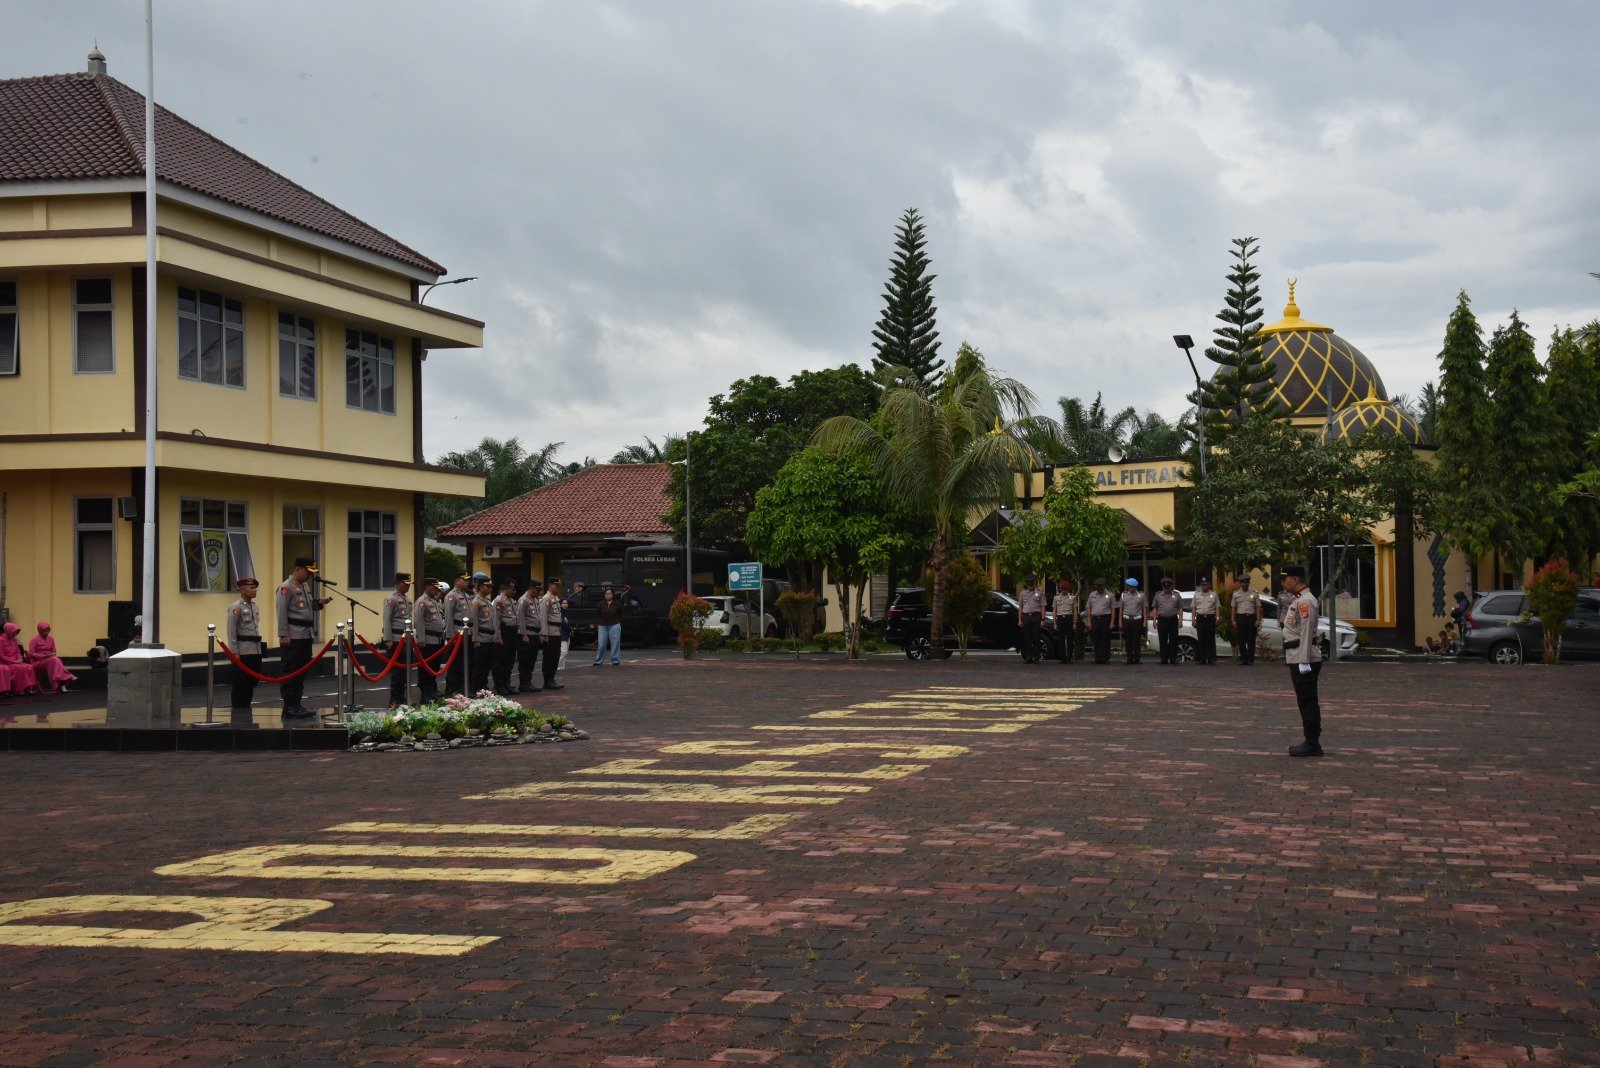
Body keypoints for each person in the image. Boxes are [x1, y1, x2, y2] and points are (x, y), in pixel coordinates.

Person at [276, 556, 331, 718]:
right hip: (293, 635)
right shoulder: (286, 588)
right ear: (298, 569)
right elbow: (281, 612)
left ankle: (297, 704)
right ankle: (289, 706)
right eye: (308, 572)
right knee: (291, 670)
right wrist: (283, 634)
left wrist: (320, 602)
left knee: (301, 671)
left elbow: (307, 607)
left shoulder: (305, 586)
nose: (309, 576)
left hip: (306, 634)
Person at [1281, 563, 1324, 758]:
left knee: (1307, 701)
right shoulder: (1299, 600)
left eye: (1285, 578)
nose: (1283, 582)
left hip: (1302, 657)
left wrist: (1304, 661)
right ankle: (1311, 740)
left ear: (1295, 579)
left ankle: (1312, 743)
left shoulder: (1305, 601)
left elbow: (1306, 633)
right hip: (1296, 655)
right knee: (1304, 700)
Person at [225, 578, 263, 713]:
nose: (254, 590)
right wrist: (234, 652)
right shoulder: (236, 608)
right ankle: (238, 708)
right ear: (242, 590)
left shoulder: (254, 607)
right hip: (243, 650)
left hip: (255, 649)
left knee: (252, 681)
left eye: (255, 587)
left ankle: (246, 706)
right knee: (241, 681)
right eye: (251, 588)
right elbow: (231, 631)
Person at [381, 572, 414, 708]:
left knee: (405, 670)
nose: (408, 587)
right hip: (395, 639)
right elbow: (387, 619)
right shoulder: (391, 599)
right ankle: (394, 699)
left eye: (409, 585)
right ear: (398, 583)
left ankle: (401, 696)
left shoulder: (407, 599)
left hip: (406, 639)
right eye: (405, 584)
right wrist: (387, 639)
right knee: (397, 671)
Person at [414, 579, 447, 703]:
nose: (437, 590)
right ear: (427, 587)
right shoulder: (422, 602)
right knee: (425, 668)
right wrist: (421, 640)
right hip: (428, 640)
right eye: (434, 588)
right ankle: (425, 693)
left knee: (434, 667)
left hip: (438, 639)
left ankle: (432, 690)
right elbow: (419, 622)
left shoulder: (435, 601)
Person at [443, 573, 474, 696]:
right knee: (455, 663)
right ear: (457, 581)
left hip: (467, 632)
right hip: (457, 632)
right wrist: (451, 636)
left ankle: (462, 687)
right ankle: (452, 688)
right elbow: (449, 617)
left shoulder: (466, 595)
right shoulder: (451, 596)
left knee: (466, 662)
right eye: (464, 580)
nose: (467, 583)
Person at [467, 576, 499, 695]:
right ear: (481, 587)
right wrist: (475, 639)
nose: (490, 589)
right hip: (481, 636)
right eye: (488, 587)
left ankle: (483, 687)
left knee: (487, 665)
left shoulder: (487, 601)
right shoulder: (476, 602)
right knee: (479, 665)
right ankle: (476, 688)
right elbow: (474, 622)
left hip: (489, 637)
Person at [28, 621, 77, 693]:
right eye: (44, 631)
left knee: (55, 660)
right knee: (56, 660)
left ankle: (61, 684)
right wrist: (44, 656)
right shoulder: (34, 640)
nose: (46, 632)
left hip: (50, 660)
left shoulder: (51, 639)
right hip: (38, 662)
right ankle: (67, 676)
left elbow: (54, 651)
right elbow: (31, 654)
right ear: (40, 630)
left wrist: (51, 654)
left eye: (48, 631)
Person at [536, 578, 567, 691]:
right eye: (556, 586)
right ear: (550, 585)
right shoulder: (546, 598)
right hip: (549, 631)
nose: (558, 588)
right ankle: (547, 681)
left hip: (556, 631)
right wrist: (544, 633)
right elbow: (543, 617)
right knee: (549, 657)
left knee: (555, 656)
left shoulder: (554, 598)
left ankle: (552, 679)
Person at [491, 579, 520, 695]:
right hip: (504, 631)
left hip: (512, 632)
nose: (514, 591)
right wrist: (497, 636)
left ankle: (506, 683)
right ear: (506, 588)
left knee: (510, 659)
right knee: (500, 660)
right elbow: (496, 620)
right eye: (512, 589)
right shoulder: (498, 600)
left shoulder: (511, 601)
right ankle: (499, 685)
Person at [515, 579, 543, 692]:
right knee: (525, 659)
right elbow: (520, 618)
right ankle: (523, 683)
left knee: (532, 659)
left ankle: (528, 681)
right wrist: (524, 634)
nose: (538, 592)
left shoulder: (535, 600)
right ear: (531, 588)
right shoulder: (523, 600)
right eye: (537, 590)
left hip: (535, 633)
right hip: (527, 634)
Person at [0, 622, 41, 696]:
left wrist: (20, 659)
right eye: (13, 633)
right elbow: (1, 655)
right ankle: (20, 689)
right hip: (6, 662)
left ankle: (28, 688)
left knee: (29, 667)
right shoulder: (1, 640)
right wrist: (13, 661)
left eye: (16, 633)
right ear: (8, 631)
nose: (15, 635)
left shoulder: (14, 640)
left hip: (15, 662)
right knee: (20, 668)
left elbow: (18, 652)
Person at [1231, 574, 1261, 665]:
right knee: (1241, 640)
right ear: (1240, 584)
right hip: (1240, 618)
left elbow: (1258, 607)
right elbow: (1233, 607)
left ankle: (1250, 659)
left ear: (1249, 583)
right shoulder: (1236, 594)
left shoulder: (1254, 593)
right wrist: (1233, 620)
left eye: (1246, 583)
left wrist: (1258, 620)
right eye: (1243, 583)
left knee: (1251, 640)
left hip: (1251, 617)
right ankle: (1243, 659)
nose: (1245, 585)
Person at [1115, 577, 1147, 664]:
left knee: (1136, 640)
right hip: (1127, 619)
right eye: (1129, 587)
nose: (1131, 588)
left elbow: (1144, 609)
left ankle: (1137, 658)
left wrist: (1144, 621)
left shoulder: (1141, 595)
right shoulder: (1123, 595)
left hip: (1137, 619)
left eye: (1132, 587)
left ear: (1135, 587)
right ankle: (1129, 657)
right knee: (1128, 639)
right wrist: (1120, 621)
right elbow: (1121, 609)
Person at [1152, 578, 1183, 664]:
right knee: (1162, 640)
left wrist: (1180, 621)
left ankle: (1173, 658)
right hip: (1162, 619)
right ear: (1162, 587)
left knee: (1174, 640)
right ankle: (1163, 659)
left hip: (1173, 619)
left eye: (1168, 587)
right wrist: (1154, 621)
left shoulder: (1176, 595)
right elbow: (1155, 608)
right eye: (1165, 587)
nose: (1167, 589)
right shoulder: (1158, 595)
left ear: (1171, 586)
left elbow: (1180, 608)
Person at [594, 582, 624, 666]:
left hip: (614, 625)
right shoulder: (600, 604)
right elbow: (598, 614)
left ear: (613, 594)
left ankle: (615, 660)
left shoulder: (618, 604)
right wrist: (599, 624)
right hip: (603, 625)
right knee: (601, 644)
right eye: (606, 593)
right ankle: (598, 661)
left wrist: (617, 622)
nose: (608, 595)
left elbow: (621, 614)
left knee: (615, 643)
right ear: (604, 595)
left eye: (610, 593)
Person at [1192, 578, 1220, 665]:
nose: (1204, 586)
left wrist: (1218, 618)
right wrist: (1193, 619)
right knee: (1201, 639)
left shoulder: (1214, 594)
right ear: (1200, 586)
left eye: (1206, 584)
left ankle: (1211, 659)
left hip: (1210, 618)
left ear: (1209, 585)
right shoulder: (1196, 595)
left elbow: (1217, 607)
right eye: (1203, 585)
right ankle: (1202, 659)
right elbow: (1194, 608)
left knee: (1210, 639)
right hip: (1200, 618)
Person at [1086, 578, 1115, 664]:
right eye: (1096, 586)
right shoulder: (1092, 595)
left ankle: (1105, 658)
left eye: (1099, 586)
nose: (1098, 588)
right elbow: (1089, 608)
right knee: (1096, 639)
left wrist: (1112, 622)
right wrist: (1088, 620)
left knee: (1105, 639)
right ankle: (1097, 658)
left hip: (1105, 618)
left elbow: (1113, 609)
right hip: (1095, 618)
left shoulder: (1110, 595)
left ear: (1104, 586)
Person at [1017, 575, 1045, 663]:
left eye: (1031, 584)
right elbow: (1020, 607)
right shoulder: (1022, 593)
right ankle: (1028, 657)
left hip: (1036, 616)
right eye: (1028, 584)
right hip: (1026, 616)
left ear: (1034, 583)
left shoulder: (1040, 593)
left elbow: (1043, 606)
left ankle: (1036, 657)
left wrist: (1042, 619)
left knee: (1036, 637)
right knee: (1027, 637)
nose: (1030, 586)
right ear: (1026, 584)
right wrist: (1020, 620)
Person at [1052, 579, 1079, 664]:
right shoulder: (1056, 598)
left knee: (1070, 639)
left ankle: (1070, 658)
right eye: (1062, 589)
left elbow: (1075, 610)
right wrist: (1055, 623)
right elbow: (1054, 611)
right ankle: (1063, 658)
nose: (1064, 591)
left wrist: (1075, 622)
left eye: (1065, 589)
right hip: (1060, 618)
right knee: (1061, 639)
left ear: (1068, 589)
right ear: (1060, 589)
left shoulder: (1072, 597)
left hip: (1069, 618)